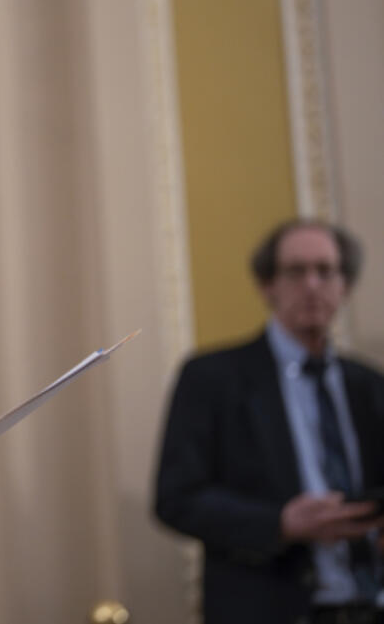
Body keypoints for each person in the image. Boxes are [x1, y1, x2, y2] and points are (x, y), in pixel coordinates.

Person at [155, 219, 384, 624]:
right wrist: (279, 523)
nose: (312, 285)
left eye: (325, 270)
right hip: (268, 606)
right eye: (296, 271)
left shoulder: (368, 384)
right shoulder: (212, 378)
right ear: (268, 286)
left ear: (344, 285)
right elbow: (176, 498)